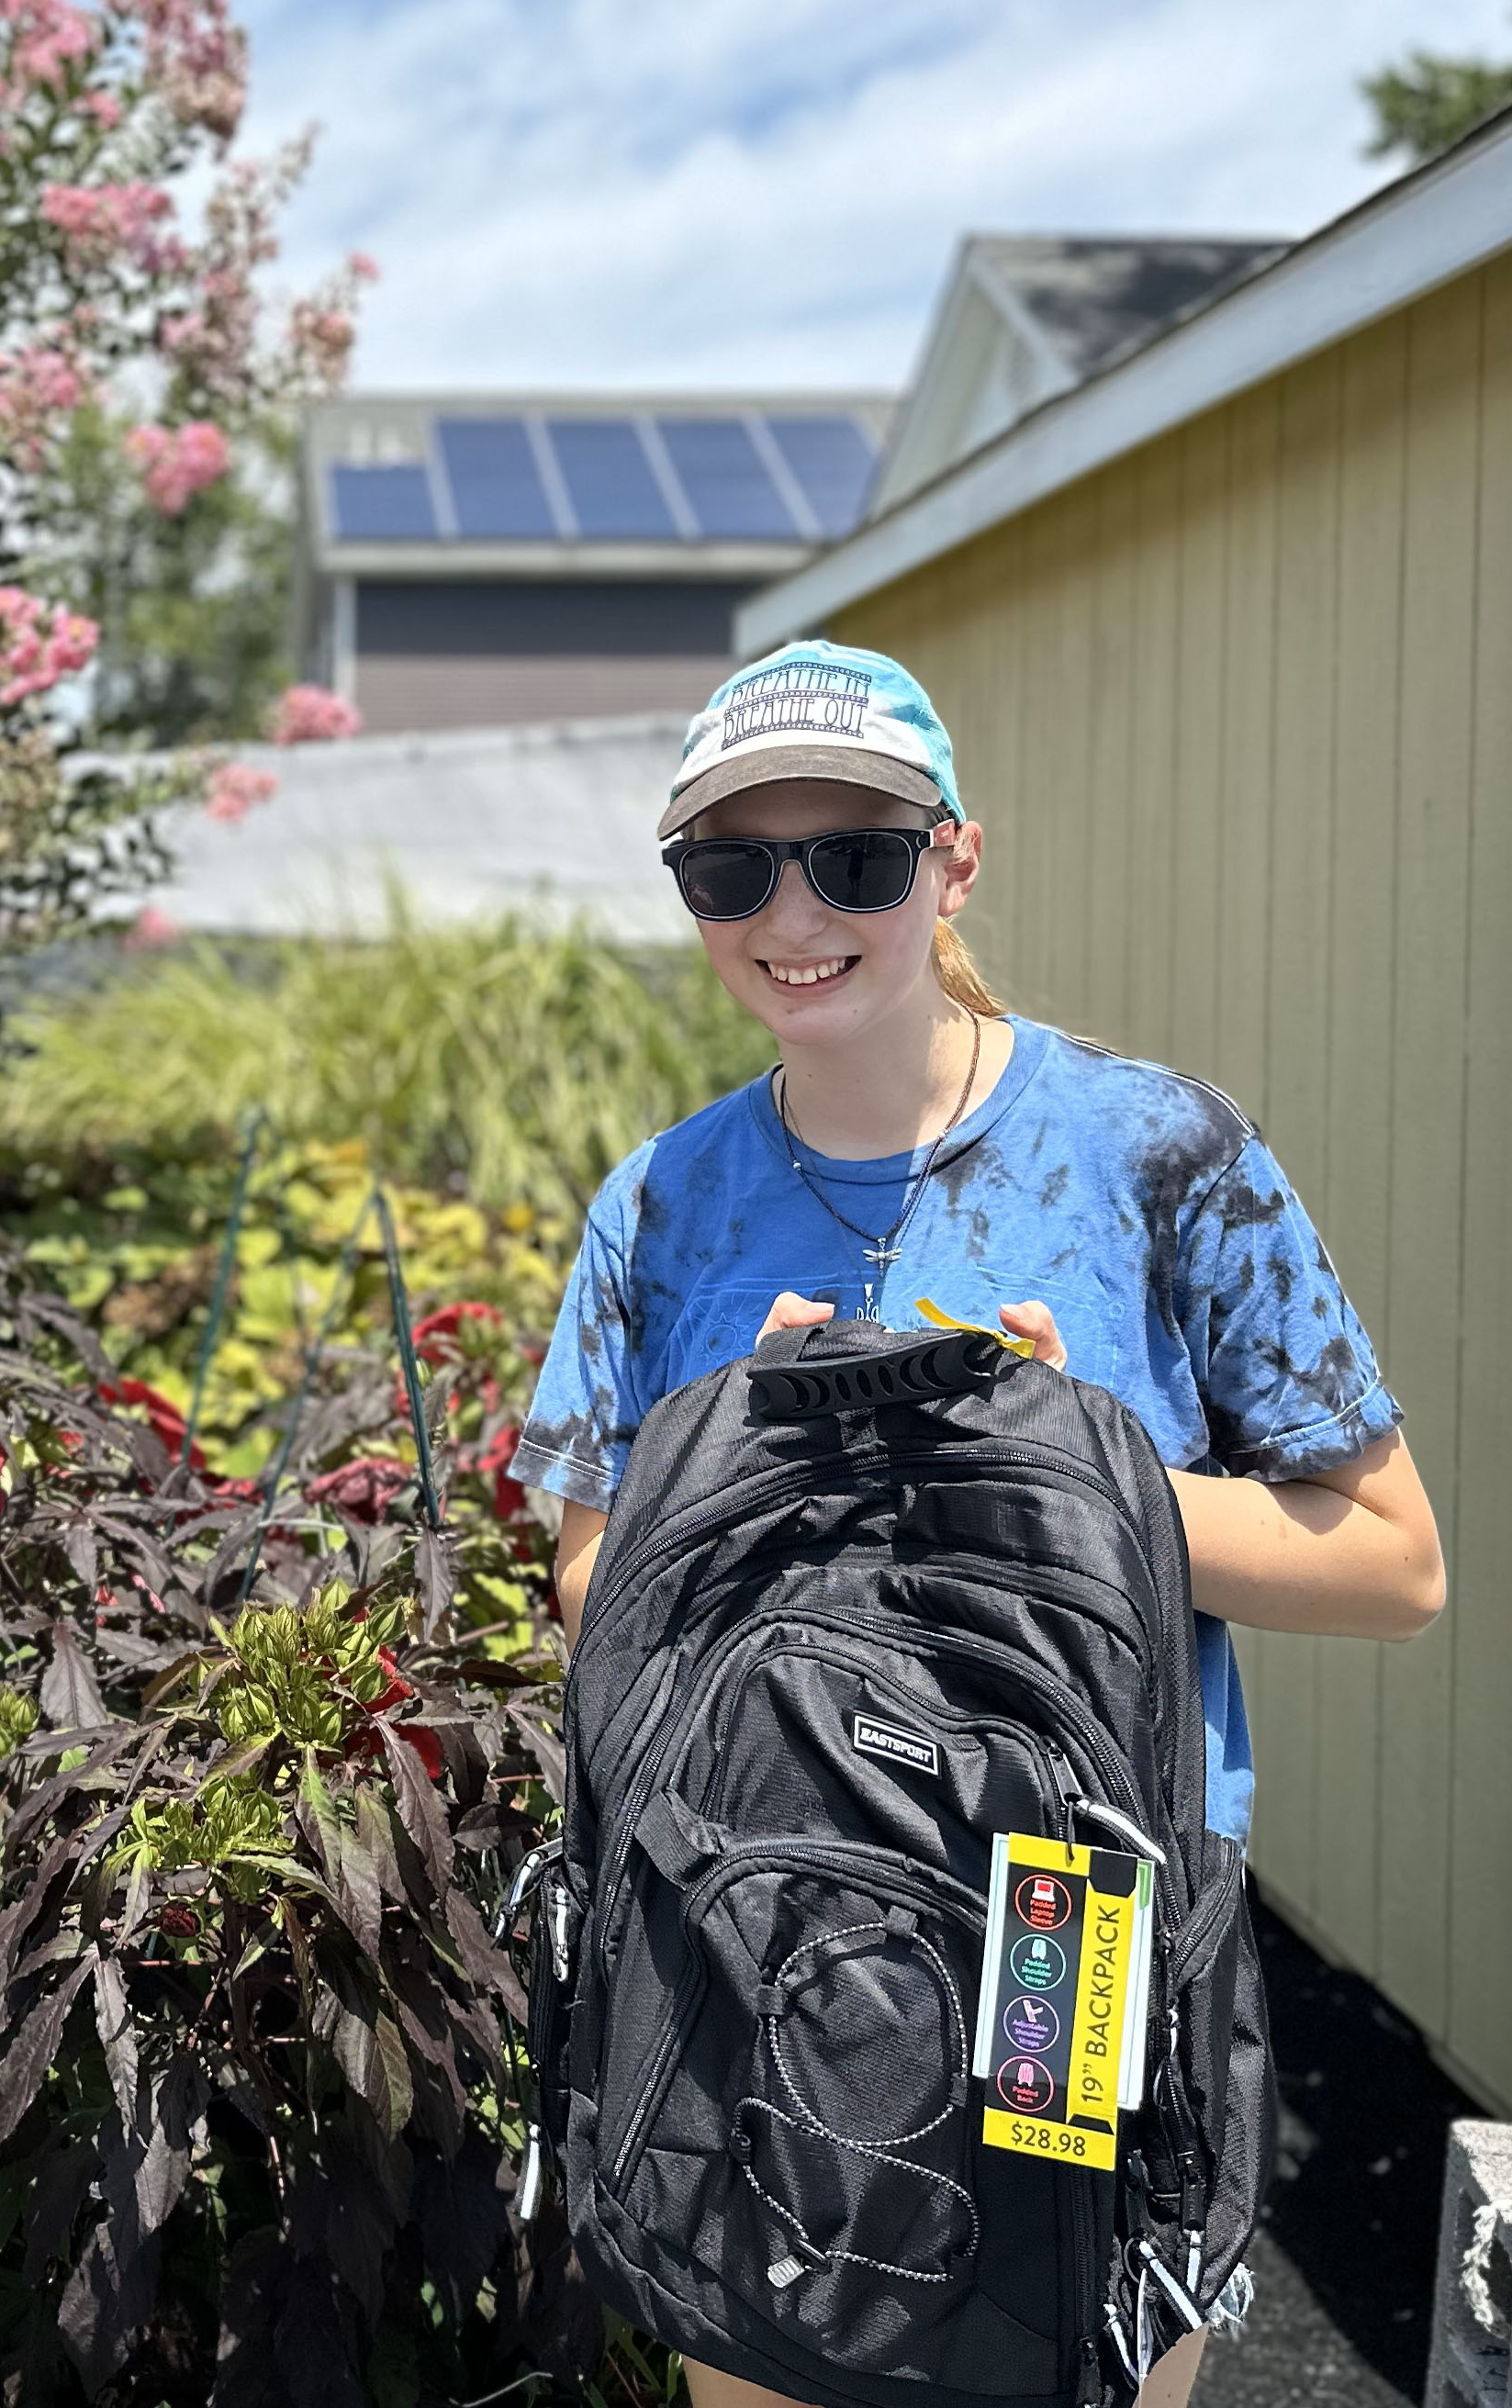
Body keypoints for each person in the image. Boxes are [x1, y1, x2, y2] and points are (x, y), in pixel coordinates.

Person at [509, 641, 1447, 2408]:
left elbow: (1394, 1561)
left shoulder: (1163, 1155)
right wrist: (747, 1478)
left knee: (1068, 2342)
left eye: (856, 855)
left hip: (1070, 1920)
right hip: (750, 1922)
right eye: (732, 868)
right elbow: (587, 1577)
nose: (794, 912)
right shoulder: (662, 1203)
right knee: (770, 2365)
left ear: (955, 861)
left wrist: (1066, 1474)